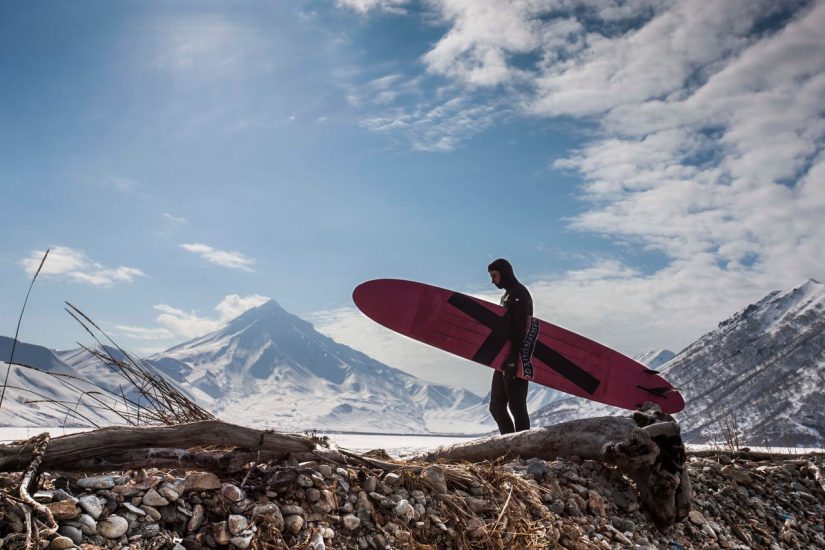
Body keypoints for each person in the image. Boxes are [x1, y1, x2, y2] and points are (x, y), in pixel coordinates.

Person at [487, 258, 532, 434]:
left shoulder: (520, 294)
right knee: (496, 406)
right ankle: (509, 446)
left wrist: (514, 357)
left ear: (504, 273)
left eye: (494, 276)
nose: (492, 281)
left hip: (517, 357)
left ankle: (523, 451)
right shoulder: (506, 295)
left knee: (517, 405)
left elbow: (520, 328)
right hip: (503, 357)